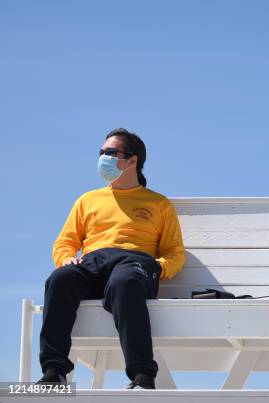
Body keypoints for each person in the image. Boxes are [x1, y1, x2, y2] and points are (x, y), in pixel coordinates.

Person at [36, 128, 186, 389]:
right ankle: (54, 372)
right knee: (60, 279)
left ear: (132, 161)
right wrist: (66, 258)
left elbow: (174, 252)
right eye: (101, 152)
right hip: (94, 262)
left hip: (134, 262)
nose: (103, 158)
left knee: (124, 282)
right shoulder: (87, 200)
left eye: (110, 153)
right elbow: (65, 242)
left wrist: (159, 269)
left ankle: (142, 376)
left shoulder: (158, 204)